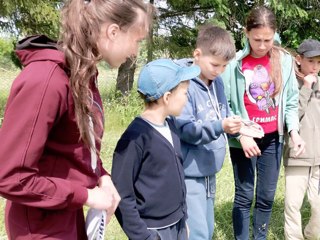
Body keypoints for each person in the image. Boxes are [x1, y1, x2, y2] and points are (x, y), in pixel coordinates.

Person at [0, 0, 154, 239]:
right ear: (112, 32)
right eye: (137, 40)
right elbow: (11, 178)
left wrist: (101, 176)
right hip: (40, 228)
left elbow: (74, 145)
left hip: (66, 217)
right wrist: (87, 195)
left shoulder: (82, 75)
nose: (135, 52)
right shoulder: (45, 80)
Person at [220, 6, 305, 240]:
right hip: (244, 140)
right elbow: (225, 103)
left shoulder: (284, 61)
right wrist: (241, 135)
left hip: (273, 139)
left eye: (267, 40)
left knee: (266, 196)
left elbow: (289, 103)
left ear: (274, 34)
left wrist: (294, 132)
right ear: (246, 33)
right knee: (244, 194)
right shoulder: (235, 63)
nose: (262, 45)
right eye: (257, 39)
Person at [111, 59, 201, 240]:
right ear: (167, 97)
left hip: (178, 225)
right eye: (184, 93)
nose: (187, 98)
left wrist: (183, 220)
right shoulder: (134, 139)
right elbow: (122, 195)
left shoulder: (171, 126)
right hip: (153, 231)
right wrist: (143, 237)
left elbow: (177, 178)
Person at [174, 25, 242, 240]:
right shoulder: (184, 85)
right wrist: (220, 126)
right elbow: (185, 129)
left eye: (224, 66)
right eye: (214, 64)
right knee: (197, 233)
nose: (218, 70)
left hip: (209, 169)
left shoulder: (217, 82)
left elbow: (224, 112)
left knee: (208, 228)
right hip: (190, 171)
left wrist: (241, 128)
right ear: (197, 54)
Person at [283, 39, 320, 240]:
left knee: (318, 206)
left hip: (319, 159)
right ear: (299, 59)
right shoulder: (290, 85)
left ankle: (312, 235)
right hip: (297, 156)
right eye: (311, 61)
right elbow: (290, 118)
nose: (315, 67)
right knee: (292, 206)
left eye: (319, 62)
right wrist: (305, 87)